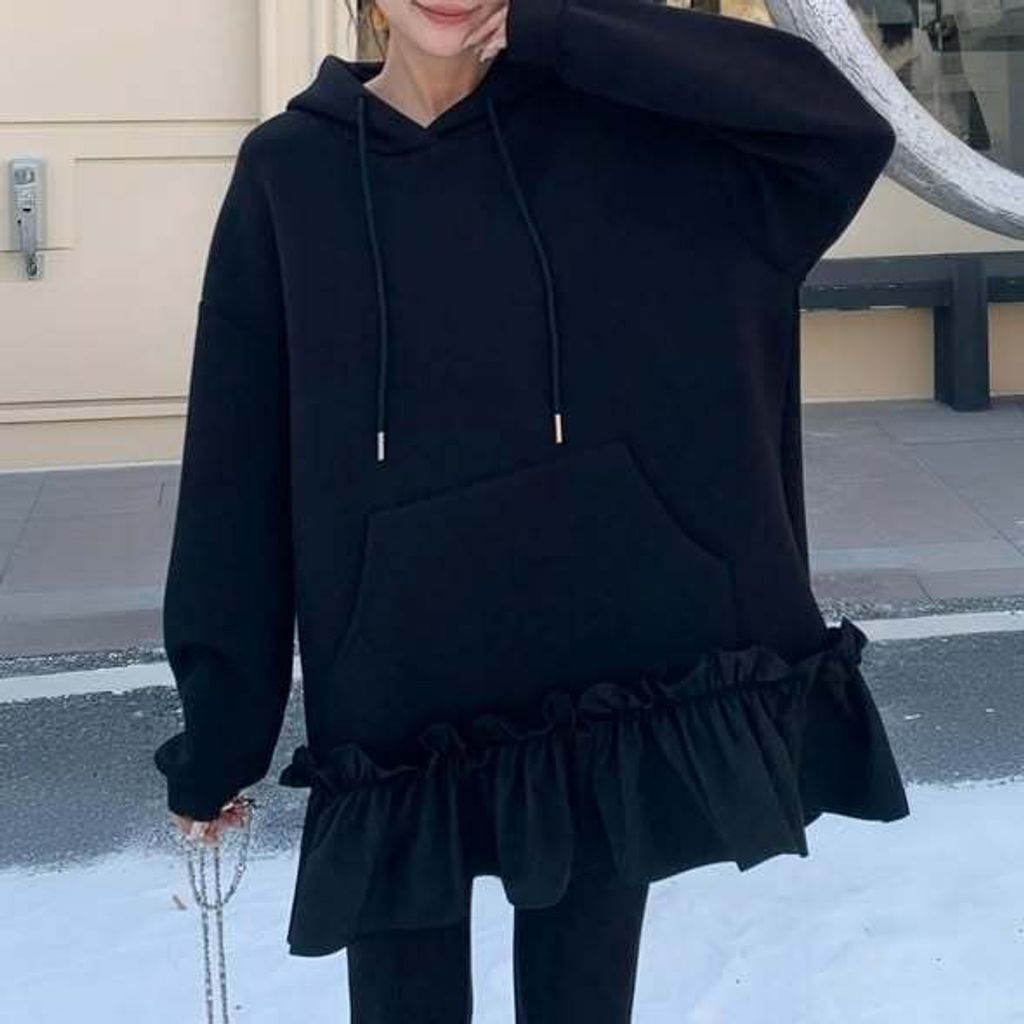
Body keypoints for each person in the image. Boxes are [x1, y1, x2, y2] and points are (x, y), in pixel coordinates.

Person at [154, 0, 911, 1018]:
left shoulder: (611, 132)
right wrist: (220, 736)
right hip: (393, 699)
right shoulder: (289, 174)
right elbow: (237, 466)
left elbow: (832, 128)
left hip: (589, 689)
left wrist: (563, 33)